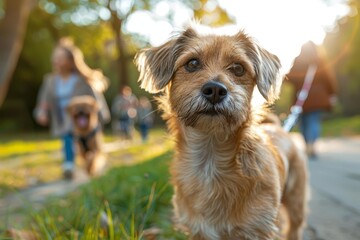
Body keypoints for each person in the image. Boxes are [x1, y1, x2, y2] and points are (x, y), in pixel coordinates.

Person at [34, 38, 110, 179]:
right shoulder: (50, 81)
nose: (56, 61)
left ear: (70, 61)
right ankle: (68, 164)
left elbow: (96, 99)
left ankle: (87, 163)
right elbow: (44, 101)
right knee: (67, 137)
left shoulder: (82, 79)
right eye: (55, 58)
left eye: (60, 58)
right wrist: (42, 112)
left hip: (82, 118)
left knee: (87, 144)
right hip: (62, 117)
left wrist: (102, 114)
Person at [286, 41, 338, 159]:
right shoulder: (320, 60)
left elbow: (291, 77)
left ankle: (307, 145)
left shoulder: (298, 61)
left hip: (302, 98)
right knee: (313, 121)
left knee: (304, 123)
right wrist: (332, 93)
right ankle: (312, 145)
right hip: (318, 97)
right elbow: (328, 78)